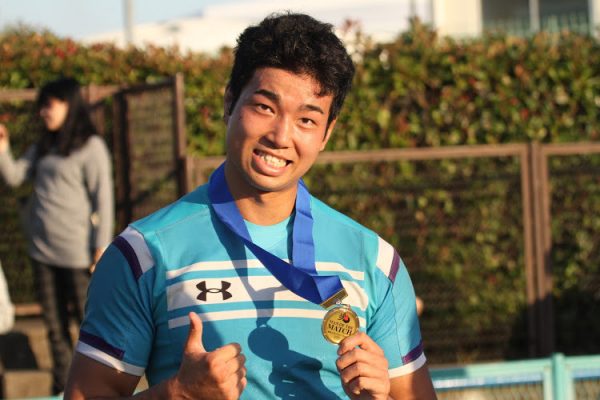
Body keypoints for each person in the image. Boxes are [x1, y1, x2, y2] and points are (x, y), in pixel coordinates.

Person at [64, 13, 437, 400]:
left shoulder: (373, 261)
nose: (281, 136)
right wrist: (178, 394)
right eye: (264, 107)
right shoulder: (144, 254)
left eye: (307, 120)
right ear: (229, 102)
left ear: (327, 133)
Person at [0, 77, 114, 395]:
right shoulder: (43, 147)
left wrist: (100, 245)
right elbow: (15, 176)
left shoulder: (91, 147)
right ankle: (63, 386)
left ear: (69, 105)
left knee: (89, 322)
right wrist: (3, 149)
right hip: (41, 252)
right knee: (54, 326)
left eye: (50, 105)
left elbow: (103, 199)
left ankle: (97, 385)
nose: (44, 112)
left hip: (77, 254)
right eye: (42, 106)